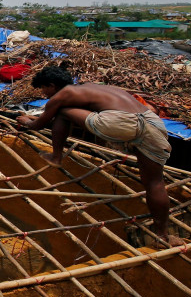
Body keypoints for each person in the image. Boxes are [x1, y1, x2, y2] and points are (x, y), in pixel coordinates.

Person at [15, 66, 180, 245]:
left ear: (52, 85)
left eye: (43, 88)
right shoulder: (92, 87)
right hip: (152, 122)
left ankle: (56, 157)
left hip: (121, 122)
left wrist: (26, 122)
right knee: (154, 183)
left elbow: (38, 125)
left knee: (61, 110)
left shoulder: (62, 95)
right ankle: (163, 236)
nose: (44, 93)